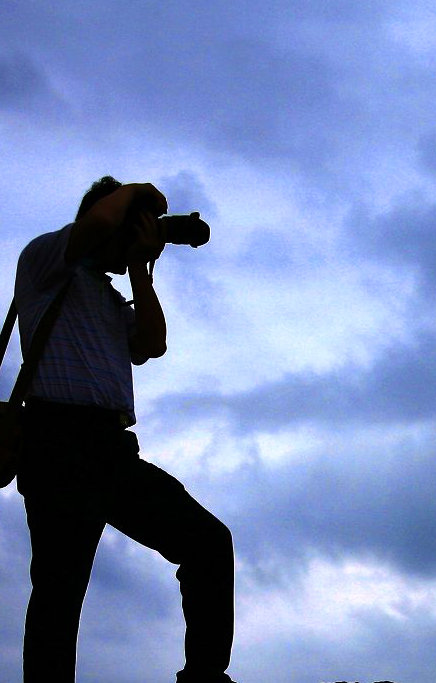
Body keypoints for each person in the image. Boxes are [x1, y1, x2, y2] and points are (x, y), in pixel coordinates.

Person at [14, 176, 237, 683]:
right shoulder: (45, 261)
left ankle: (205, 674)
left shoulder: (112, 297)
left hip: (111, 449)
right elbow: (96, 223)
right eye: (128, 224)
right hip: (55, 441)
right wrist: (135, 191)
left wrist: (141, 268)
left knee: (207, 542)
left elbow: (152, 345)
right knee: (59, 590)